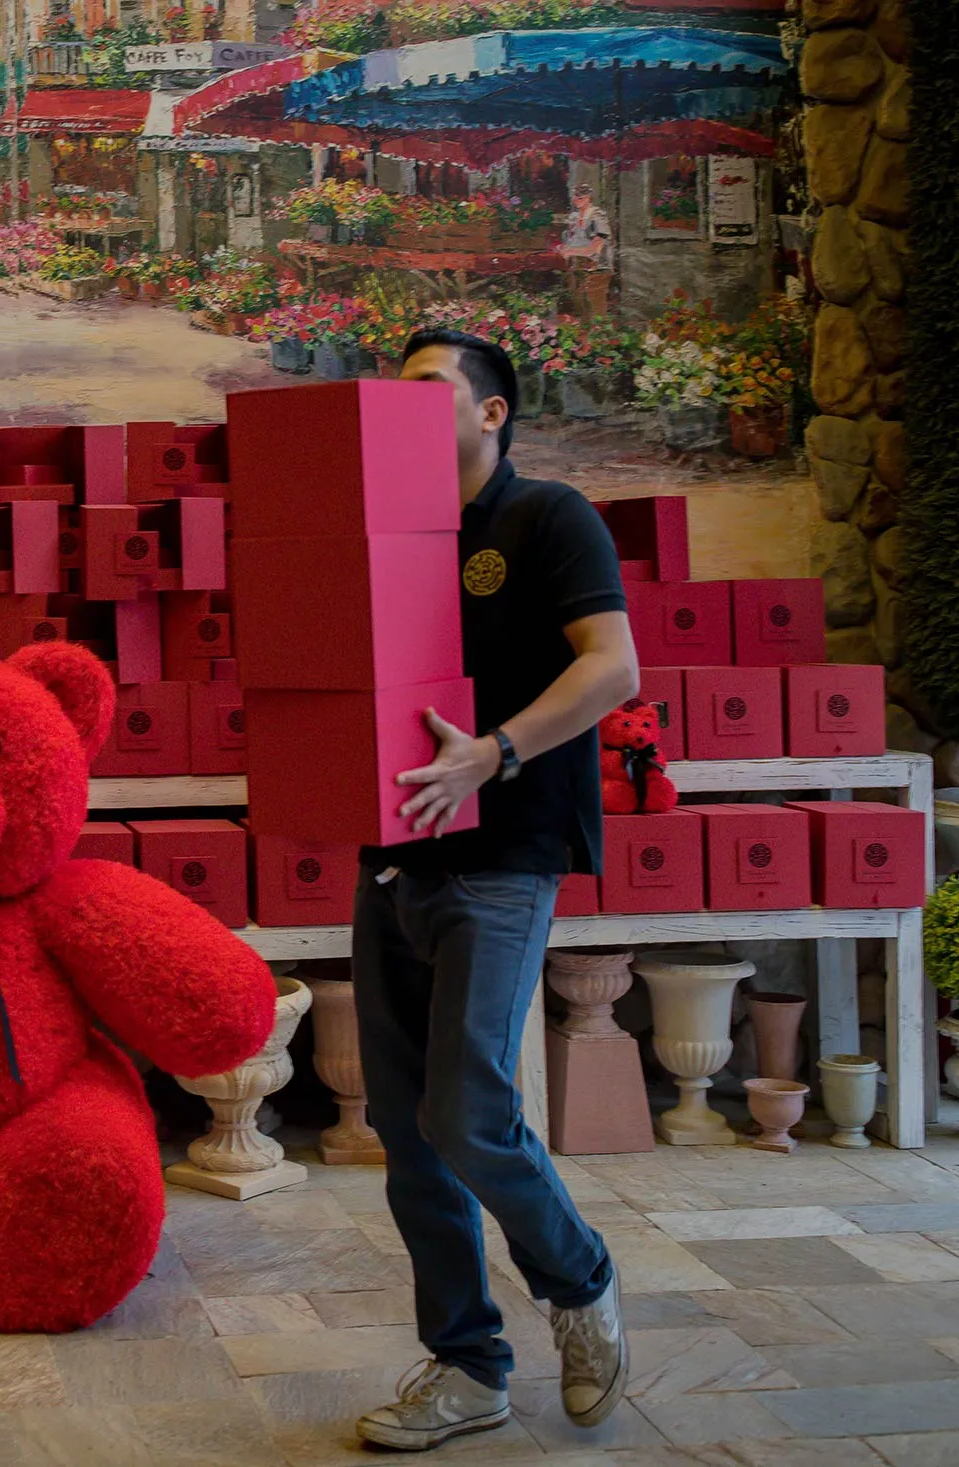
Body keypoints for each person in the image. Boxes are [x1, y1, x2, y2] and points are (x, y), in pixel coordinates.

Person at [351, 328, 638, 1454]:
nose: (407, 406)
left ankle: (579, 1281)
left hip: (505, 854)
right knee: (403, 1130)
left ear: (489, 413)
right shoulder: (393, 533)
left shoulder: (545, 516)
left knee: (465, 1111)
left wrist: (495, 751)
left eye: (432, 389)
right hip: (396, 857)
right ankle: (467, 1364)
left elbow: (612, 666)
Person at [561, 185, 613, 318]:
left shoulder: (597, 216)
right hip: (578, 268)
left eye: (580, 197)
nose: (576, 200)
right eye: (575, 196)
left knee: (595, 309)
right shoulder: (574, 217)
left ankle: (598, 336)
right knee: (579, 309)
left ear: (588, 198)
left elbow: (596, 249)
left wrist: (571, 251)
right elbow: (571, 240)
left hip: (596, 269)